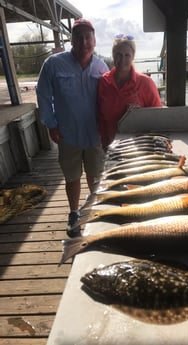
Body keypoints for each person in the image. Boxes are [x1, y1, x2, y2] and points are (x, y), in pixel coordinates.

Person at [36, 18, 109, 238]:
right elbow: (43, 95)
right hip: (67, 133)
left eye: (88, 37)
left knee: (96, 176)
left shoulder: (102, 66)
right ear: (71, 40)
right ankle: (74, 213)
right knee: (72, 176)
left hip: (96, 134)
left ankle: (95, 210)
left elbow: (110, 98)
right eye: (79, 37)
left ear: (94, 40)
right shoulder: (53, 64)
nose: (84, 41)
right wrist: (51, 124)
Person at [98, 34, 162, 150]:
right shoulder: (104, 82)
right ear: (113, 55)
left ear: (133, 57)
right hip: (112, 147)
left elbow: (159, 118)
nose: (122, 60)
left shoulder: (146, 83)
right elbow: (101, 117)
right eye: (118, 55)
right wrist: (103, 143)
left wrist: (140, 114)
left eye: (127, 55)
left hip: (140, 147)